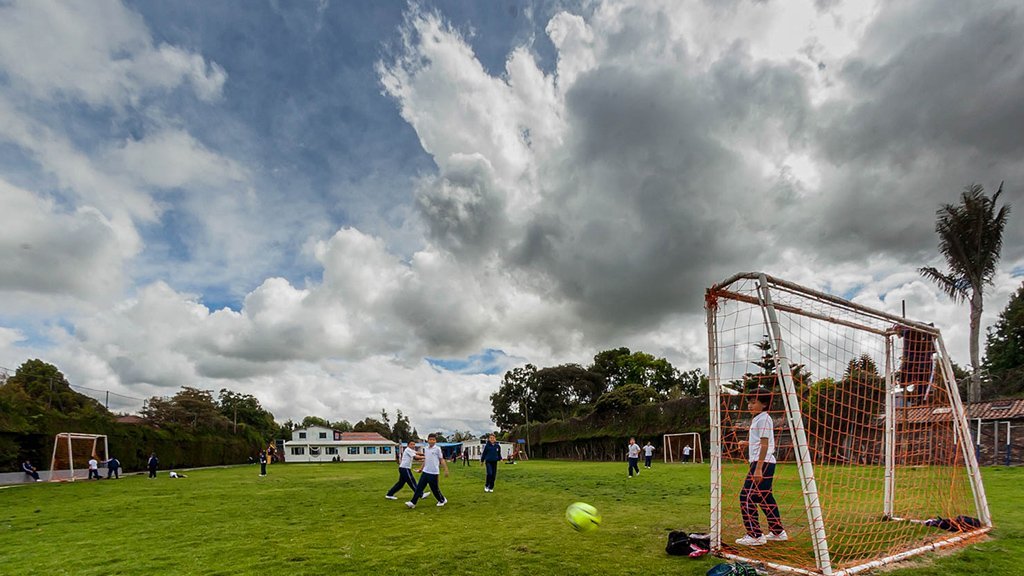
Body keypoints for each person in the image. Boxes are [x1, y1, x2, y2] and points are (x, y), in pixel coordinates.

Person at [736, 389, 786, 546]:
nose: (750, 405)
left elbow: (765, 444)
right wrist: (747, 443)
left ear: (764, 404)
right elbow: (763, 441)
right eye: (749, 402)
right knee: (764, 497)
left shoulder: (763, 419)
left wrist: (758, 468)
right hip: (765, 462)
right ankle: (778, 532)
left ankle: (755, 535)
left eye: (754, 402)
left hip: (762, 463)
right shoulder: (760, 419)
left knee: (746, 497)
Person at [406, 434, 448, 509]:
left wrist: (446, 470)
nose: (432, 441)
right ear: (427, 440)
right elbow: (426, 460)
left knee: (434, 489)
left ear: (435, 441)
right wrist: (421, 469)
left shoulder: (437, 449)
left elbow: (441, 459)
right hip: (425, 471)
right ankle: (413, 502)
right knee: (419, 488)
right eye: (430, 439)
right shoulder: (426, 449)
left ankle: (442, 500)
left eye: (433, 440)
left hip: (433, 472)